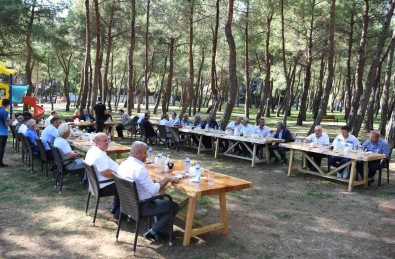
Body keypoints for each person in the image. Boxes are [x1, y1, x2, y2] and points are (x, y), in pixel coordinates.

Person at [117, 141, 179, 241]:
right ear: (137, 153)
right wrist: (167, 179)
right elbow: (153, 190)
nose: (147, 155)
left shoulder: (124, 164)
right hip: (142, 206)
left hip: (127, 203)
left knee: (163, 201)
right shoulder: (139, 169)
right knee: (173, 206)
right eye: (145, 152)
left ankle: (159, 231)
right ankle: (154, 231)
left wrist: (155, 182)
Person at [85, 133, 120, 218]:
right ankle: (121, 213)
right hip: (103, 187)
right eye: (104, 140)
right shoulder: (99, 154)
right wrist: (121, 177)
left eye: (108, 140)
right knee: (128, 186)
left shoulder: (92, 150)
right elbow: (105, 173)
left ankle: (115, 207)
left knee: (122, 183)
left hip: (95, 184)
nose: (107, 142)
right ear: (96, 142)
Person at [0, 99, 14, 167]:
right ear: (8, 104)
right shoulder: (4, 112)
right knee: (1, 148)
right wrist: (12, 120)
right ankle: (0, 163)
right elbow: (7, 124)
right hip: (2, 133)